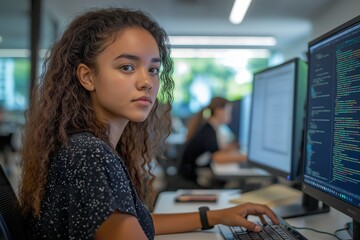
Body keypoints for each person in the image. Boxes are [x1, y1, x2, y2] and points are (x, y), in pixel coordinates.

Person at [19, 7, 279, 239]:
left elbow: (137, 223)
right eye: (127, 67)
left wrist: (212, 216)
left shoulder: (89, 145)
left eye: (153, 69)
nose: (147, 81)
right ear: (88, 77)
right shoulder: (90, 153)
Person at [179, 97, 247, 188]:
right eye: (228, 112)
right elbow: (216, 157)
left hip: (193, 173)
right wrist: (245, 157)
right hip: (193, 178)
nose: (230, 115)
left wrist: (229, 149)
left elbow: (214, 149)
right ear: (219, 111)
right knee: (234, 185)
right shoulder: (208, 132)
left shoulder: (211, 127)